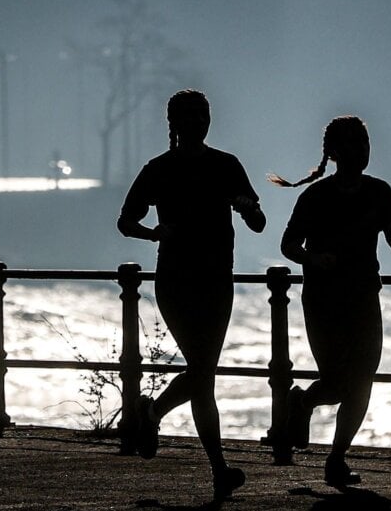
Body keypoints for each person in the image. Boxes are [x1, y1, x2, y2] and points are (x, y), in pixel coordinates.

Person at [117, 88, 266, 503]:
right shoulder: (179, 168)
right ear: (177, 124)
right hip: (194, 280)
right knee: (203, 371)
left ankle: (211, 463)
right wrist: (155, 233)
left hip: (206, 280)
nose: (198, 123)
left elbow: (258, 220)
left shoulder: (213, 167)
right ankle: (165, 422)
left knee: (203, 376)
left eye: (202, 115)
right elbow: (127, 221)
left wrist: (246, 207)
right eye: (192, 117)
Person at [273, 114, 391, 488]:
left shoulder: (380, 192)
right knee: (337, 382)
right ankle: (302, 402)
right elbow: (288, 244)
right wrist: (313, 259)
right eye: (353, 144)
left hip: (365, 296)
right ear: (334, 153)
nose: (362, 152)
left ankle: (336, 458)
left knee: (362, 382)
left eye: (365, 144)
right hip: (323, 299)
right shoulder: (315, 196)